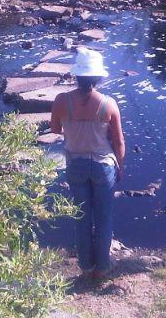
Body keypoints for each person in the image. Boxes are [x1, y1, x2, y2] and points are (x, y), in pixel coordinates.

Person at [50, 47, 125, 280]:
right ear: (98, 77)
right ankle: (102, 267)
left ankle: (86, 267)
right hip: (103, 165)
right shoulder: (108, 103)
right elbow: (119, 140)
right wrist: (120, 167)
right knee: (103, 217)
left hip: (75, 164)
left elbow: (55, 129)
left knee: (81, 216)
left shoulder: (62, 100)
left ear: (76, 75)